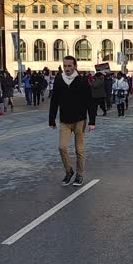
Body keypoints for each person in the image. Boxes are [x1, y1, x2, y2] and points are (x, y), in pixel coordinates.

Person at [49, 56, 97, 187]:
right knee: (62, 147)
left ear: (75, 66)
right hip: (64, 120)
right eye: (65, 66)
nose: (67, 68)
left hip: (79, 121)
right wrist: (51, 119)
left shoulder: (82, 81)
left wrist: (92, 121)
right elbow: (54, 100)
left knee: (79, 150)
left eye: (70, 66)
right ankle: (69, 171)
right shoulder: (59, 80)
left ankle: (80, 175)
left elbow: (90, 102)